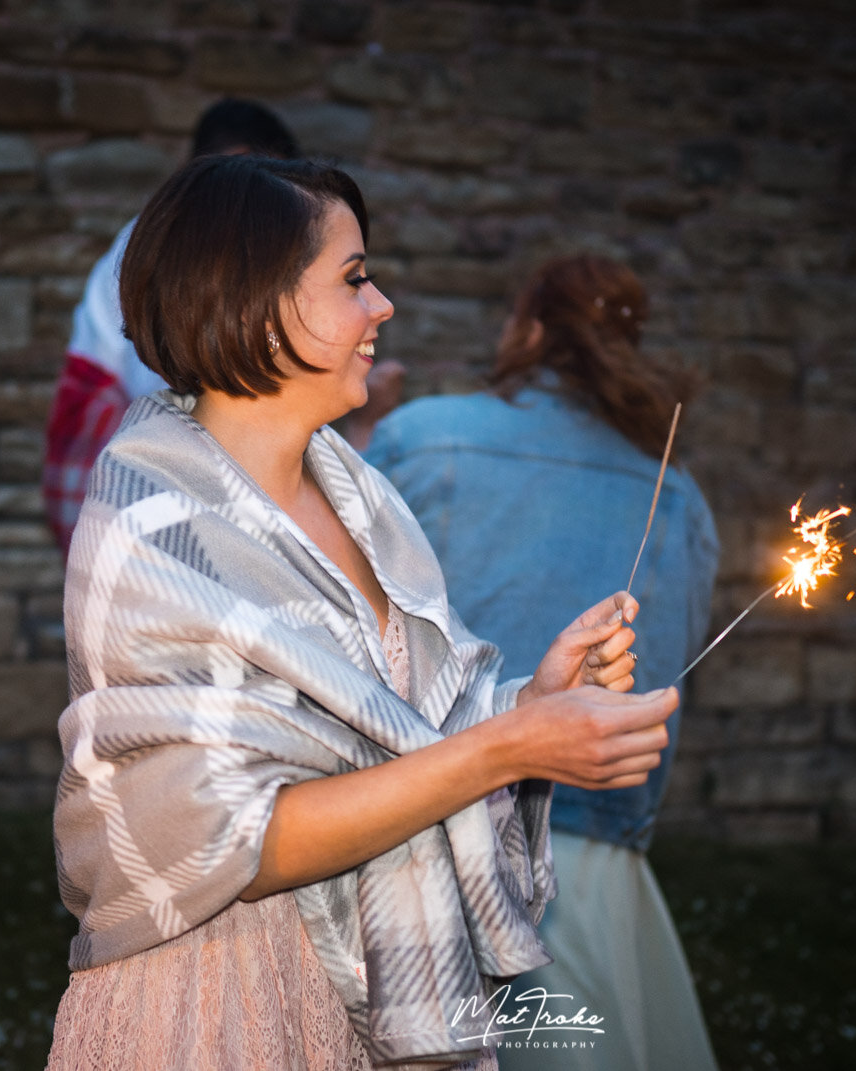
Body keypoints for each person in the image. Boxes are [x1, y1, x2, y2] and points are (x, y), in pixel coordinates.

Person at [45, 155, 682, 1070]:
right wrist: (507, 749)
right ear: (260, 305)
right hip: (223, 998)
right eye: (353, 279)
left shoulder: (365, 499)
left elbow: (409, 735)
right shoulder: (154, 528)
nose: (381, 304)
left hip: (386, 989)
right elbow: (236, 837)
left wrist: (529, 703)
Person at [366, 254, 720, 1071]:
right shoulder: (677, 494)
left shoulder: (424, 435)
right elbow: (668, 671)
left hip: (427, 832)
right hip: (590, 859)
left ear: (527, 329)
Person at [41, 98, 299, 557]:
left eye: (267, 184)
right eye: (240, 180)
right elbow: (171, 386)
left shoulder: (259, 244)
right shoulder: (166, 244)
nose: (250, 200)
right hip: (160, 476)